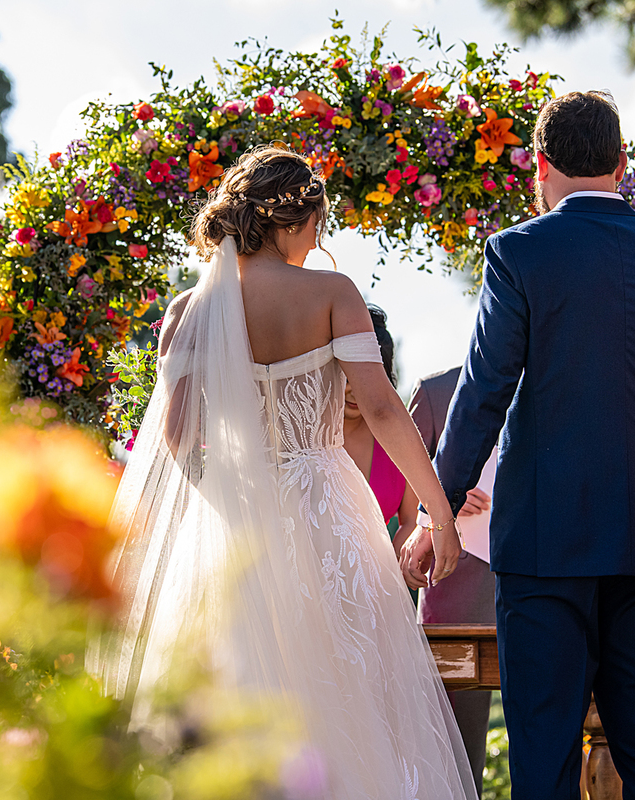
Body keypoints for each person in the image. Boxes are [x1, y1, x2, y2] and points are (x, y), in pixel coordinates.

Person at [90, 146, 476, 799]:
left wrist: (232, 499)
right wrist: (440, 513)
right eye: (317, 226)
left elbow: (178, 439)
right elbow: (381, 407)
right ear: (296, 221)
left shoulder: (189, 311)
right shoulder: (331, 294)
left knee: (239, 697)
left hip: (235, 529)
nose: (315, 242)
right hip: (328, 513)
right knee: (352, 694)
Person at [404, 91, 635, 799]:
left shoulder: (519, 253)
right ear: (619, 162)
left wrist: (438, 511)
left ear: (539, 166)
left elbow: (482, 395)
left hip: (544, 545)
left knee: (544, 754)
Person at [407, 365, 495, 798]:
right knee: (456, 734)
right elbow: (397, 480)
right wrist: (441, 503)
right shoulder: (436, 389)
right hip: (457, 586)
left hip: (548, 581)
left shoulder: (558, 377)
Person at [341, 305, 420, 556]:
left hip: (378, 583)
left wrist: (396, 567)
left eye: (367, 379)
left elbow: (411, 521)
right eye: (346, 376)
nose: (355, 389)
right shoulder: (302, 436)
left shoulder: (399, 441)